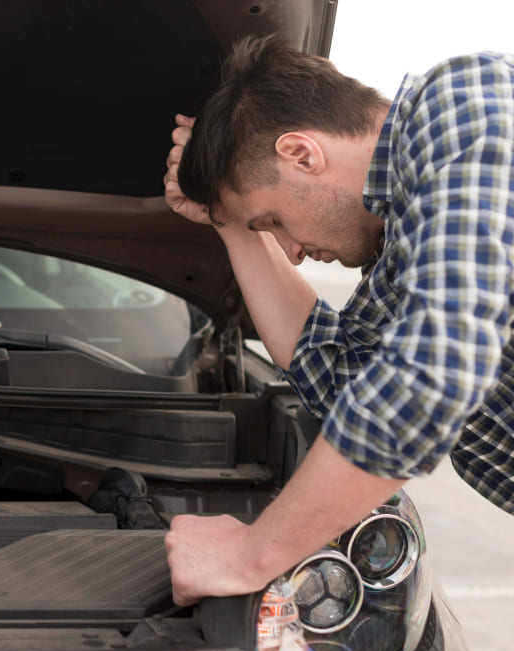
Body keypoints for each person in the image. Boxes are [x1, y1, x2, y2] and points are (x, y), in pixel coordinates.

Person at [162, 35, 514, 607]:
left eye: (274, 220)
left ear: (302, 155)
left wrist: (251, 555)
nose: (292, 251)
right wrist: (232, 223)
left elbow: (429, 377)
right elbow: (338, 380)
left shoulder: (463, 106)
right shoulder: (397, 250)